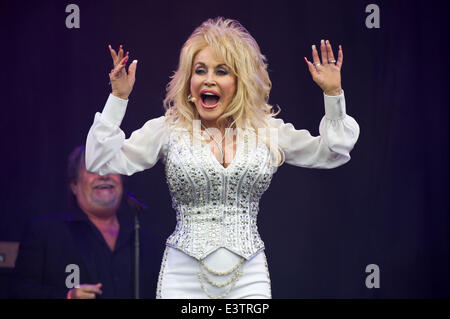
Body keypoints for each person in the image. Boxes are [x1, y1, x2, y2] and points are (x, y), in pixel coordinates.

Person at [86, 17, 360, 299]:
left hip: (247, 276)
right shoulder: (169, 130)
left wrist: (333, 94)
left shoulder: (266, 131)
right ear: (189, 82)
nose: (209, 79)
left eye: (222, 71)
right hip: (183, 276)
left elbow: (334, 152)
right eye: (200, 70)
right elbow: (99, 161)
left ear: (239, 82)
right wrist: (118, 98)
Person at [11, 146, 160, 298]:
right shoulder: (44, 233)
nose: (104, 175)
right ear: (74, 185)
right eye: (94, 168)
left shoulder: (145, 242)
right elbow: (20, 292)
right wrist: (68, 296)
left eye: (111, 167)